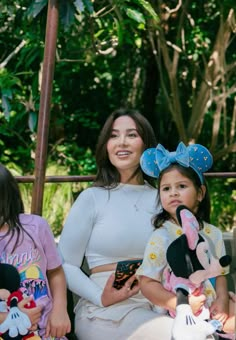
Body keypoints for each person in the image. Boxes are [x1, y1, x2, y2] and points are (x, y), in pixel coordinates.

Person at [58, 108, 175, 340]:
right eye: (113, 135)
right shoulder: (92, 198)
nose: (122, 142)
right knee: (174, 334)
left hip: (159, 303)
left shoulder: (164, 198)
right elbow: (65, 264)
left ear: (146, 144)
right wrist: (101, 296)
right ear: (106, 145)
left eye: (132, 135)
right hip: (104, 310)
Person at [136, 141, 235, 339]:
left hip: (212, 306)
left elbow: (221, 274)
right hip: (177, 309)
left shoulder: (212, 233)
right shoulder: (161, 236)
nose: (173, 192)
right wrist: (178, 304)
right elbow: (147, 283)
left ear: (200, 193)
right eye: (166, 189)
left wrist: (222, 301)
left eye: (181, 186)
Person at [0, 163, 71, 339]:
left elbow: (55, 272)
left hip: (46, 330)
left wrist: (60, 310)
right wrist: (8, 318)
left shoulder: (36, 226)